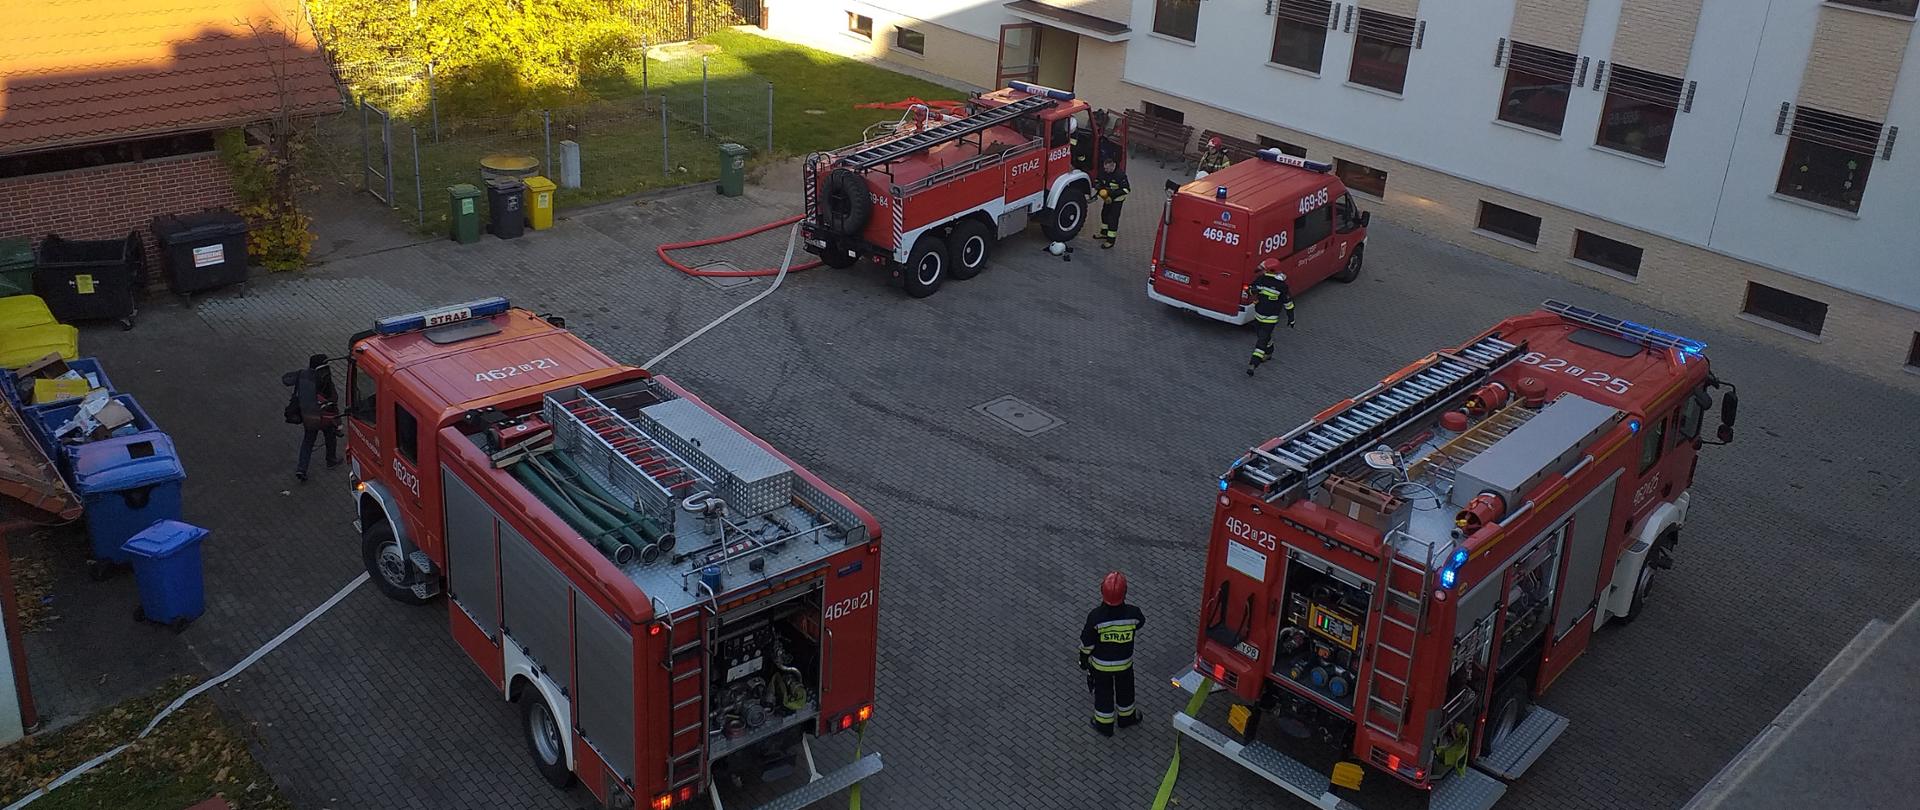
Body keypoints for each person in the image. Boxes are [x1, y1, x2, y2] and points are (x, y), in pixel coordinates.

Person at [1079, 571, 1145, 736]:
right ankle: (1127, 718)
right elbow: (1140, 623)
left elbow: (1087, 643)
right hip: (1125, 664)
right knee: (1126, 691)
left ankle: (1104, 725)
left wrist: (1083, 659)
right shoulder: (1134, 614)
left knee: (1103, 694)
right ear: (1125, 592)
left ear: (1102, 591)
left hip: (1101, 666)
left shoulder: (1096, 617)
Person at [283, 353, 341, 481]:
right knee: (330, 436)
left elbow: (286, 380)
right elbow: (334, 398)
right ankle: (331, 460)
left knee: (308, 441)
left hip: (308, 415)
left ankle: (301, 468)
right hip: (323, 415)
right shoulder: (324, 378)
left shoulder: (302, 374)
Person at [1246, 259, 1296, 376]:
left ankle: (1253, 364)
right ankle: (1269, 351)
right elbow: (1250, 289)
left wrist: (1291, 318)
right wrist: (1251, 291)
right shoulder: (1261, 279)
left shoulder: (1281, 286)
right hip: (1258, 315)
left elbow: (1288, 302)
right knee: (1261, 335)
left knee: (1261, 340)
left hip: (1270, 318)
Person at [1095, 159, 1130, 249]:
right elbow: (1098, 181)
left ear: (1113, 165)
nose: (1105, 170)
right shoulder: (1103, 172)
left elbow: (1126, 190)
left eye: (1107, 168)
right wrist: (1099, 189)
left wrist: (1111, 194)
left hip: (1117, 199)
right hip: (1107, 198)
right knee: (1104, 214)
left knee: (1112, 219)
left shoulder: (1120, 175)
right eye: (1104, 168)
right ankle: (1104, 233)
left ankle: (1110, 240)